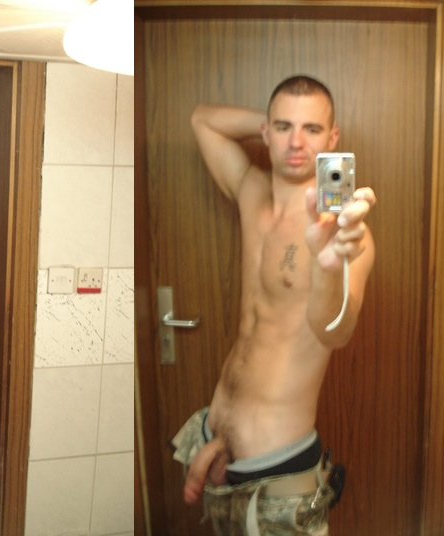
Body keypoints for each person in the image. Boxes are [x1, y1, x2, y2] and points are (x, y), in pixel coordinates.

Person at [173, 76, 376, 535]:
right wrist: (272, 123)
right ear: (266, 131)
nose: (297, 143)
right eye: (284, 127)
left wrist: (328, 265)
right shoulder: (251, 191)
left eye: (312, 129)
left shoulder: (346, 232)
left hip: (279, 471)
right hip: (214, 446)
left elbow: (335, 332)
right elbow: (203, 120)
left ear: (333, 138)